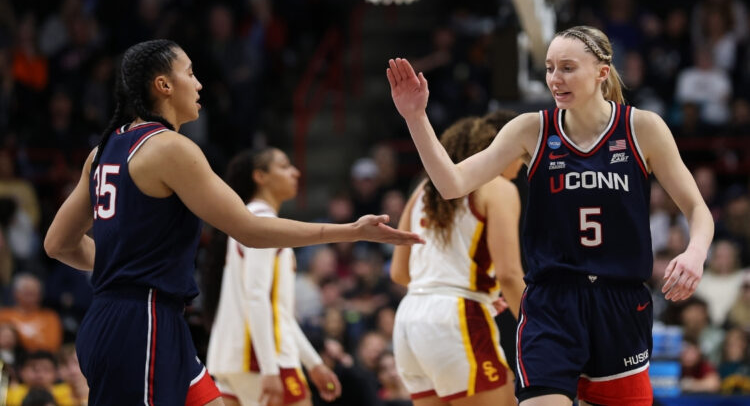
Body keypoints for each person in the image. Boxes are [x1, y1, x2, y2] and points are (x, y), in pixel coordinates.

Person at [43, 39, 421, 406]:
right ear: (163, 85)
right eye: (190, 73)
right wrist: (352, 231)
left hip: (136, 319)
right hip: (141, 325)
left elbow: (58, 243)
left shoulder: (102, 150)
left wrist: (119, 265)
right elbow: (249, 229)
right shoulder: (169, 148)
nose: (199, 83)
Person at [387, 25, 714, 406]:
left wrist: (695, 253)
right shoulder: (532, 129)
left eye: (567, 68)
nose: (554, 79)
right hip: (551, 304)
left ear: (602, 73)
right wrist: (415, 118)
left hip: (620, 304)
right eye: (549, 68)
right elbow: (453, 183)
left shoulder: (642, 128)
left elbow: (697, 209)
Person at [390, 117, 525, 406]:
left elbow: (400, 273)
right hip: (456, 318)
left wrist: (470, 289)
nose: (522, 162)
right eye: (518, 152)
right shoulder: (497, 187)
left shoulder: (422, 190)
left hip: (409, 321)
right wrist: (539, 327)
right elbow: (509, 274)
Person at [205, 148, 342, 406]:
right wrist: (269, 369)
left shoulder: (245, 220)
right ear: (260, 176)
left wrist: (314, 364)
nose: (295, 172)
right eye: (284, 166)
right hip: (257, 358)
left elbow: (278, 313)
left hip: (231, 358)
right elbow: (257, 298)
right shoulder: (262, 223)